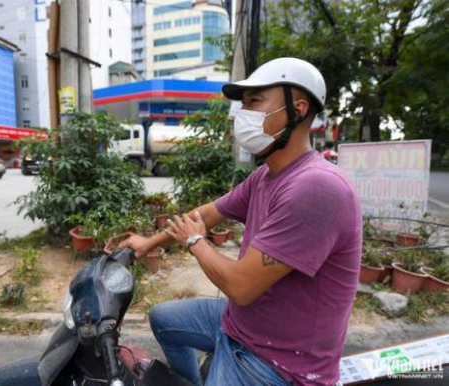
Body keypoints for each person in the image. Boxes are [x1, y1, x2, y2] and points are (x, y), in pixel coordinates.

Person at [119, 57, 362, 386]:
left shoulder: (316, 187)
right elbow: (206, 214)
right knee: (162, 318)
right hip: (241, 324)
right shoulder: (266, 176)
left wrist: (196, 243)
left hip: (277, 361)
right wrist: (146, 243)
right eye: (243, 104)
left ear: (297, 110)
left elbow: (241, 287)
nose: (242, 114)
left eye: (255, 101)